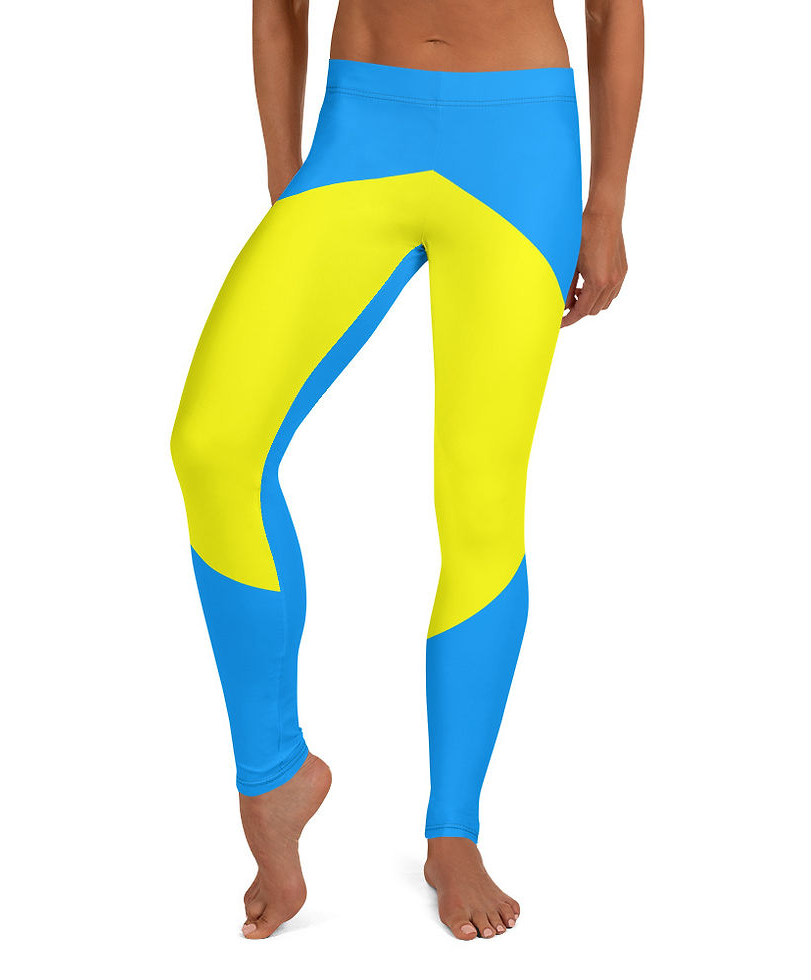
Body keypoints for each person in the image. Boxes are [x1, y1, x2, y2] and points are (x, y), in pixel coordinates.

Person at [170, 0, 643, 941]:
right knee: (213, 444)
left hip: (519, 146)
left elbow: (612, 11)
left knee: (480, 498)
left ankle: (453, 831)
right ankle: (273, 773)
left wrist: (607, 205)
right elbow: (278, 8)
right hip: (362, 130)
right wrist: (286, 175)